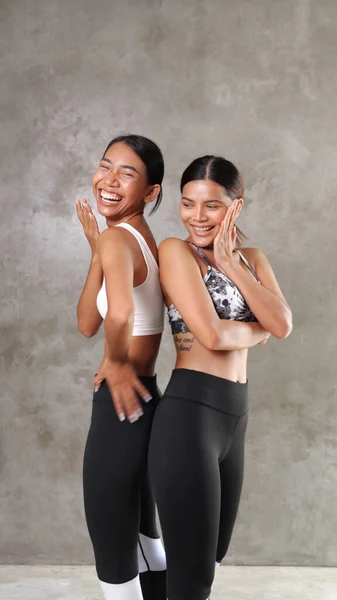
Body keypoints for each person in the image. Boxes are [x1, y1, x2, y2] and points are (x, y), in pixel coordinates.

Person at [148, 155, 293, 600]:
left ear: (236, 207)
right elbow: (211, 335)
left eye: (211, 205)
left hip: (234, 416)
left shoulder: (251, 259)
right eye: (188, 204)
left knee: (210, 555)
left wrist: (231, 266)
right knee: (193, 578)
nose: (197, 217)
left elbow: (283, 325)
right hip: (190, 416)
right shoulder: (175, 251)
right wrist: (258, 330)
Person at [76, 135, 167, 600]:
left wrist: (114, 363)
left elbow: (118, 318)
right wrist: (96, 251)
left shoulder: (119, 237)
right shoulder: (133, 238)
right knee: (144, 538)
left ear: (151, 192)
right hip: (147, 394)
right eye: (105, 166)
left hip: (120, 401)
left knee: (113, 541)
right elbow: (87, 321)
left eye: (127, 173)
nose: (108, 180)